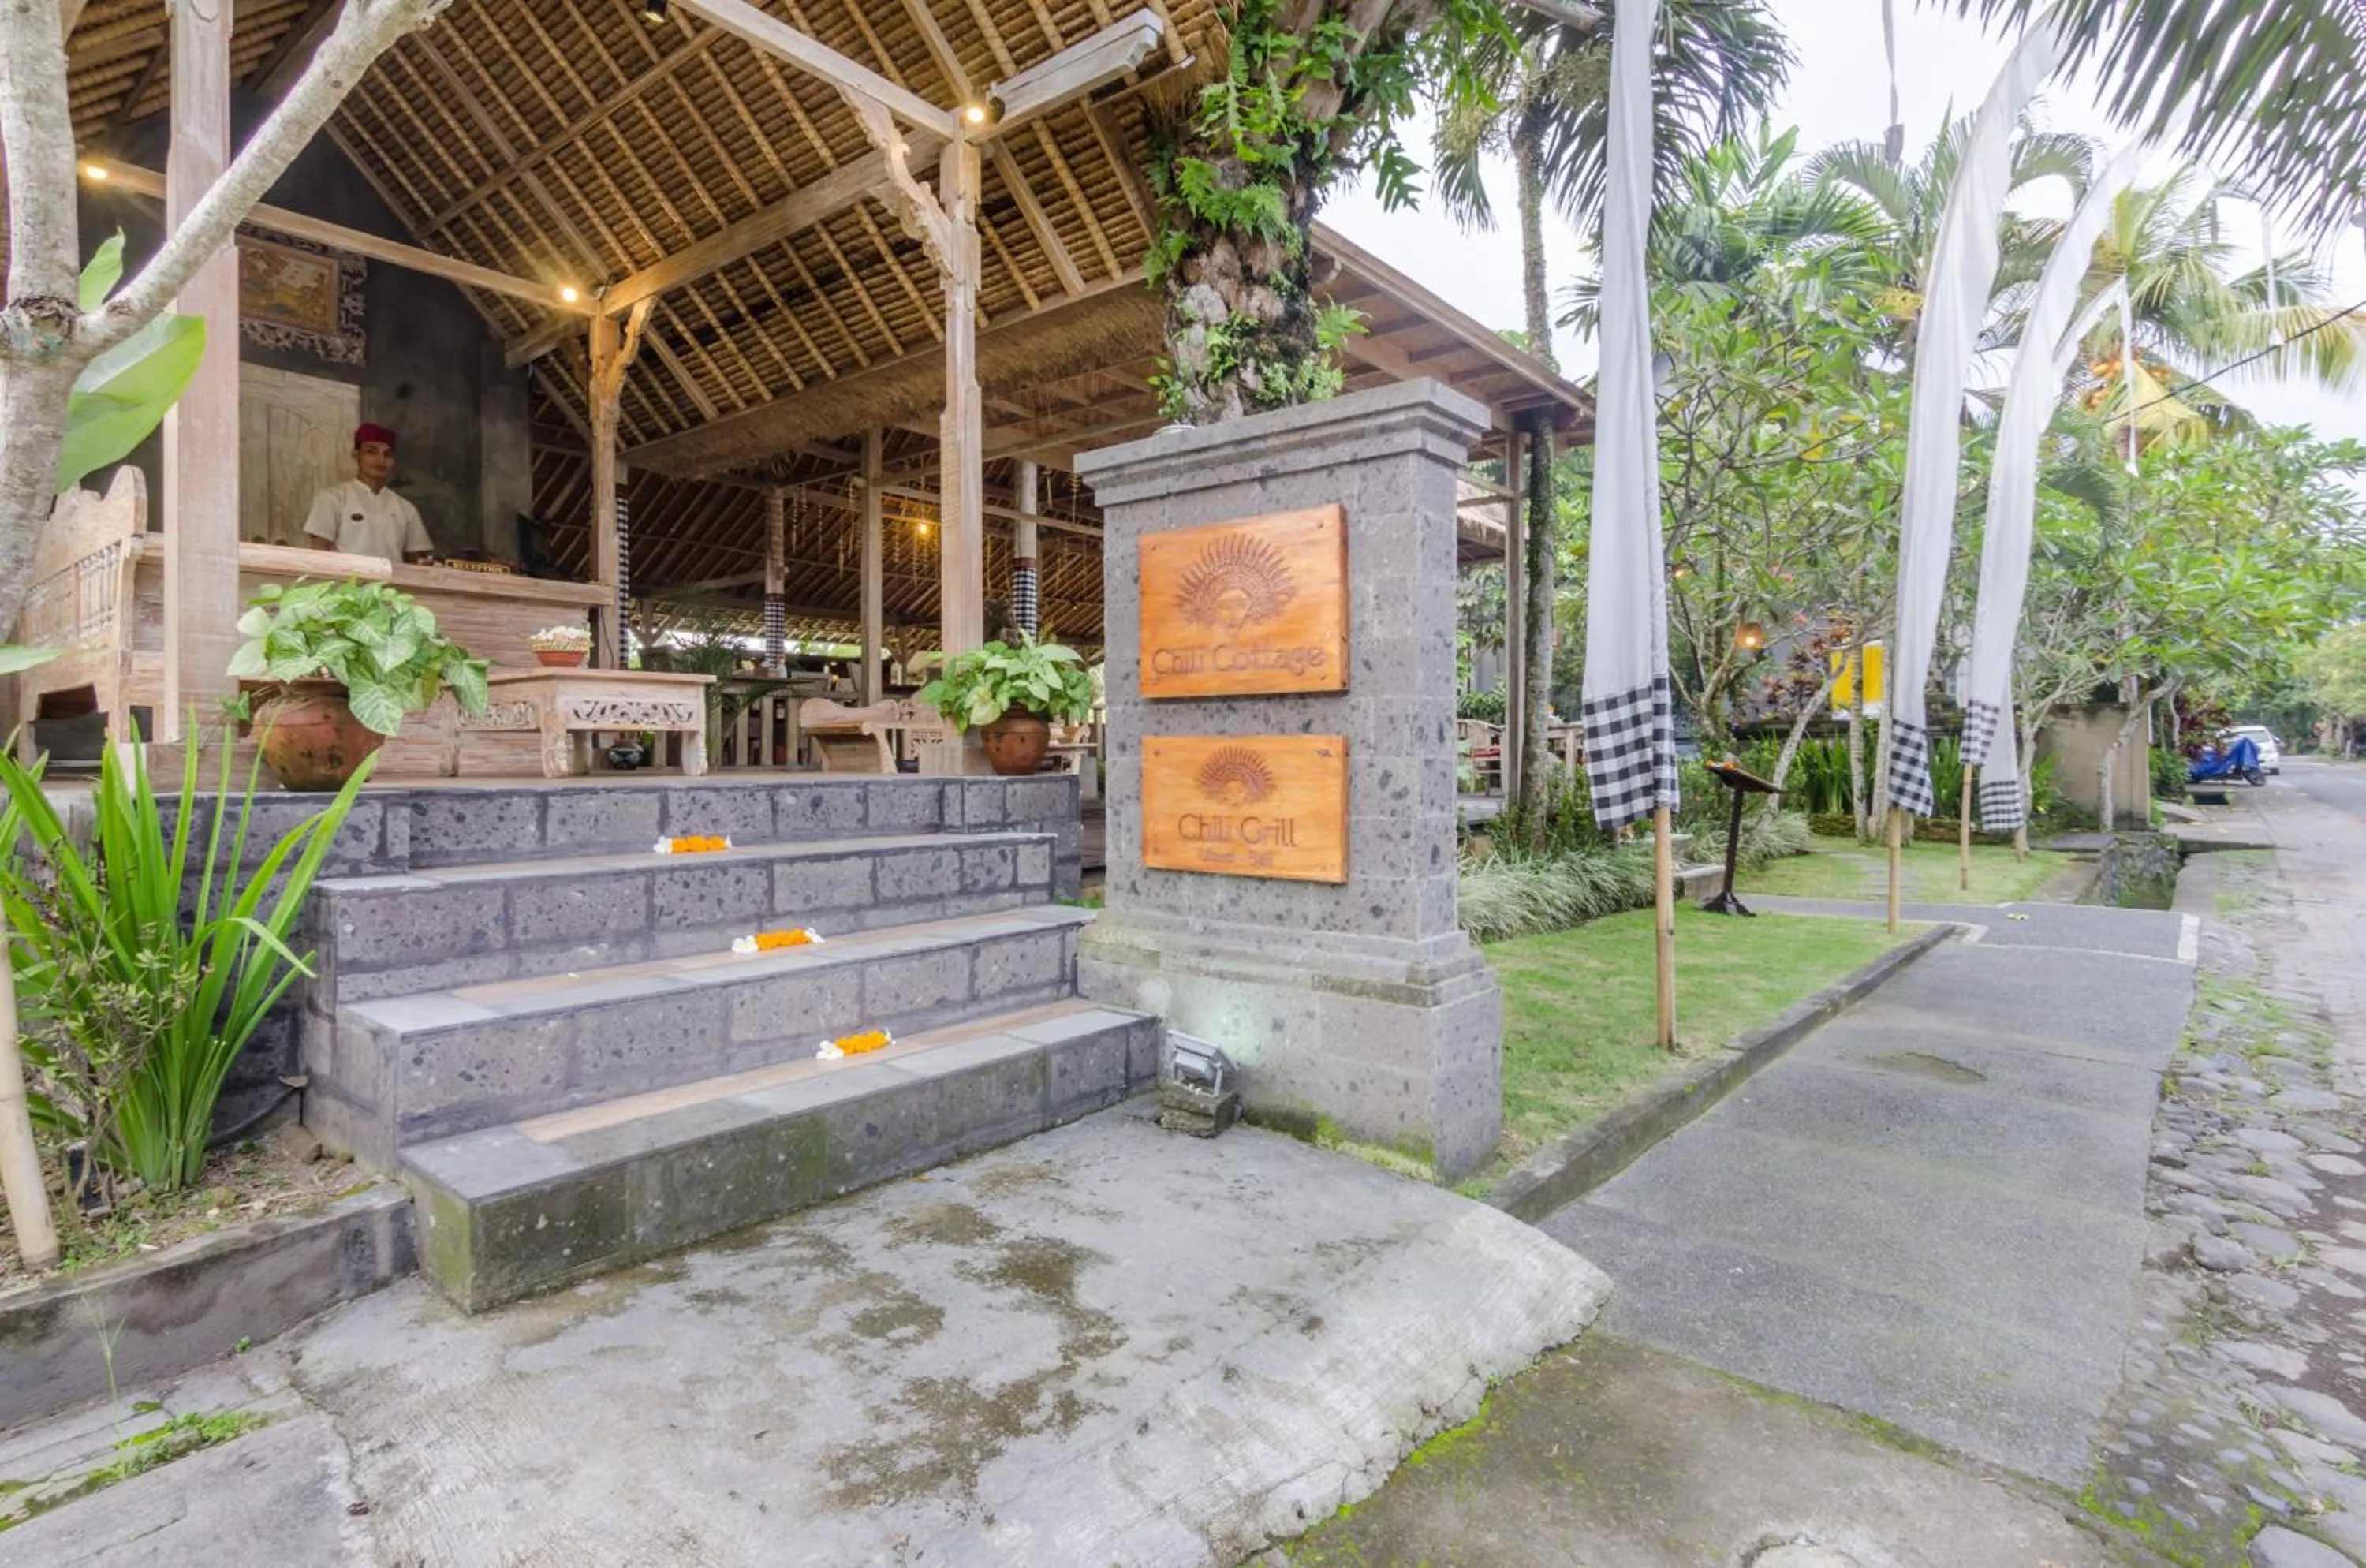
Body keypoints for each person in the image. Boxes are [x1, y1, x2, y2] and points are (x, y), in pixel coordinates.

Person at [304, 423, 434, 563]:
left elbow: (417, 562)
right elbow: (318, 554)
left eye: (387, 454)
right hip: (346, 584)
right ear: (356, 454)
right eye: (371, 451)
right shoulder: (332, 499)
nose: (380, 460)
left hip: (391, 584)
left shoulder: (406, 508)